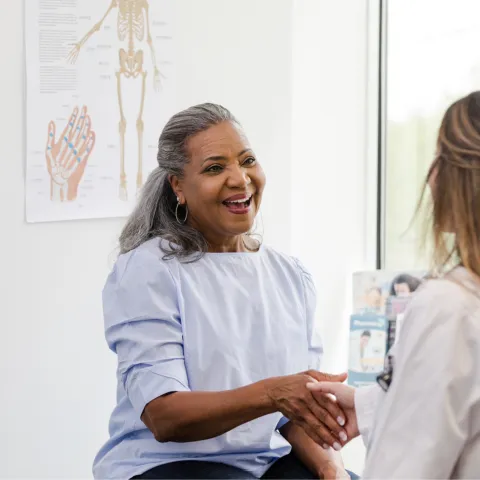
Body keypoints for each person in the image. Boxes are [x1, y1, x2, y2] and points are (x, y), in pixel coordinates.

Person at [93, 103, 358, 479]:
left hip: (264, 463)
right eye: (215, 168)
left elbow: (296, 414)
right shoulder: (150, 271)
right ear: (178, 186)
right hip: (169, 465)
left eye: (247, 160)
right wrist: (272, 393)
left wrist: (333, 471)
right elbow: (164, 416)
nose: (240, 179)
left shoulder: (291, 275)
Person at [307, 91, 480, 478]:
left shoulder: (449, 307)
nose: (431, 175)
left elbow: (406, 468)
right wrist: (369, 406)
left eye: (439, 157)